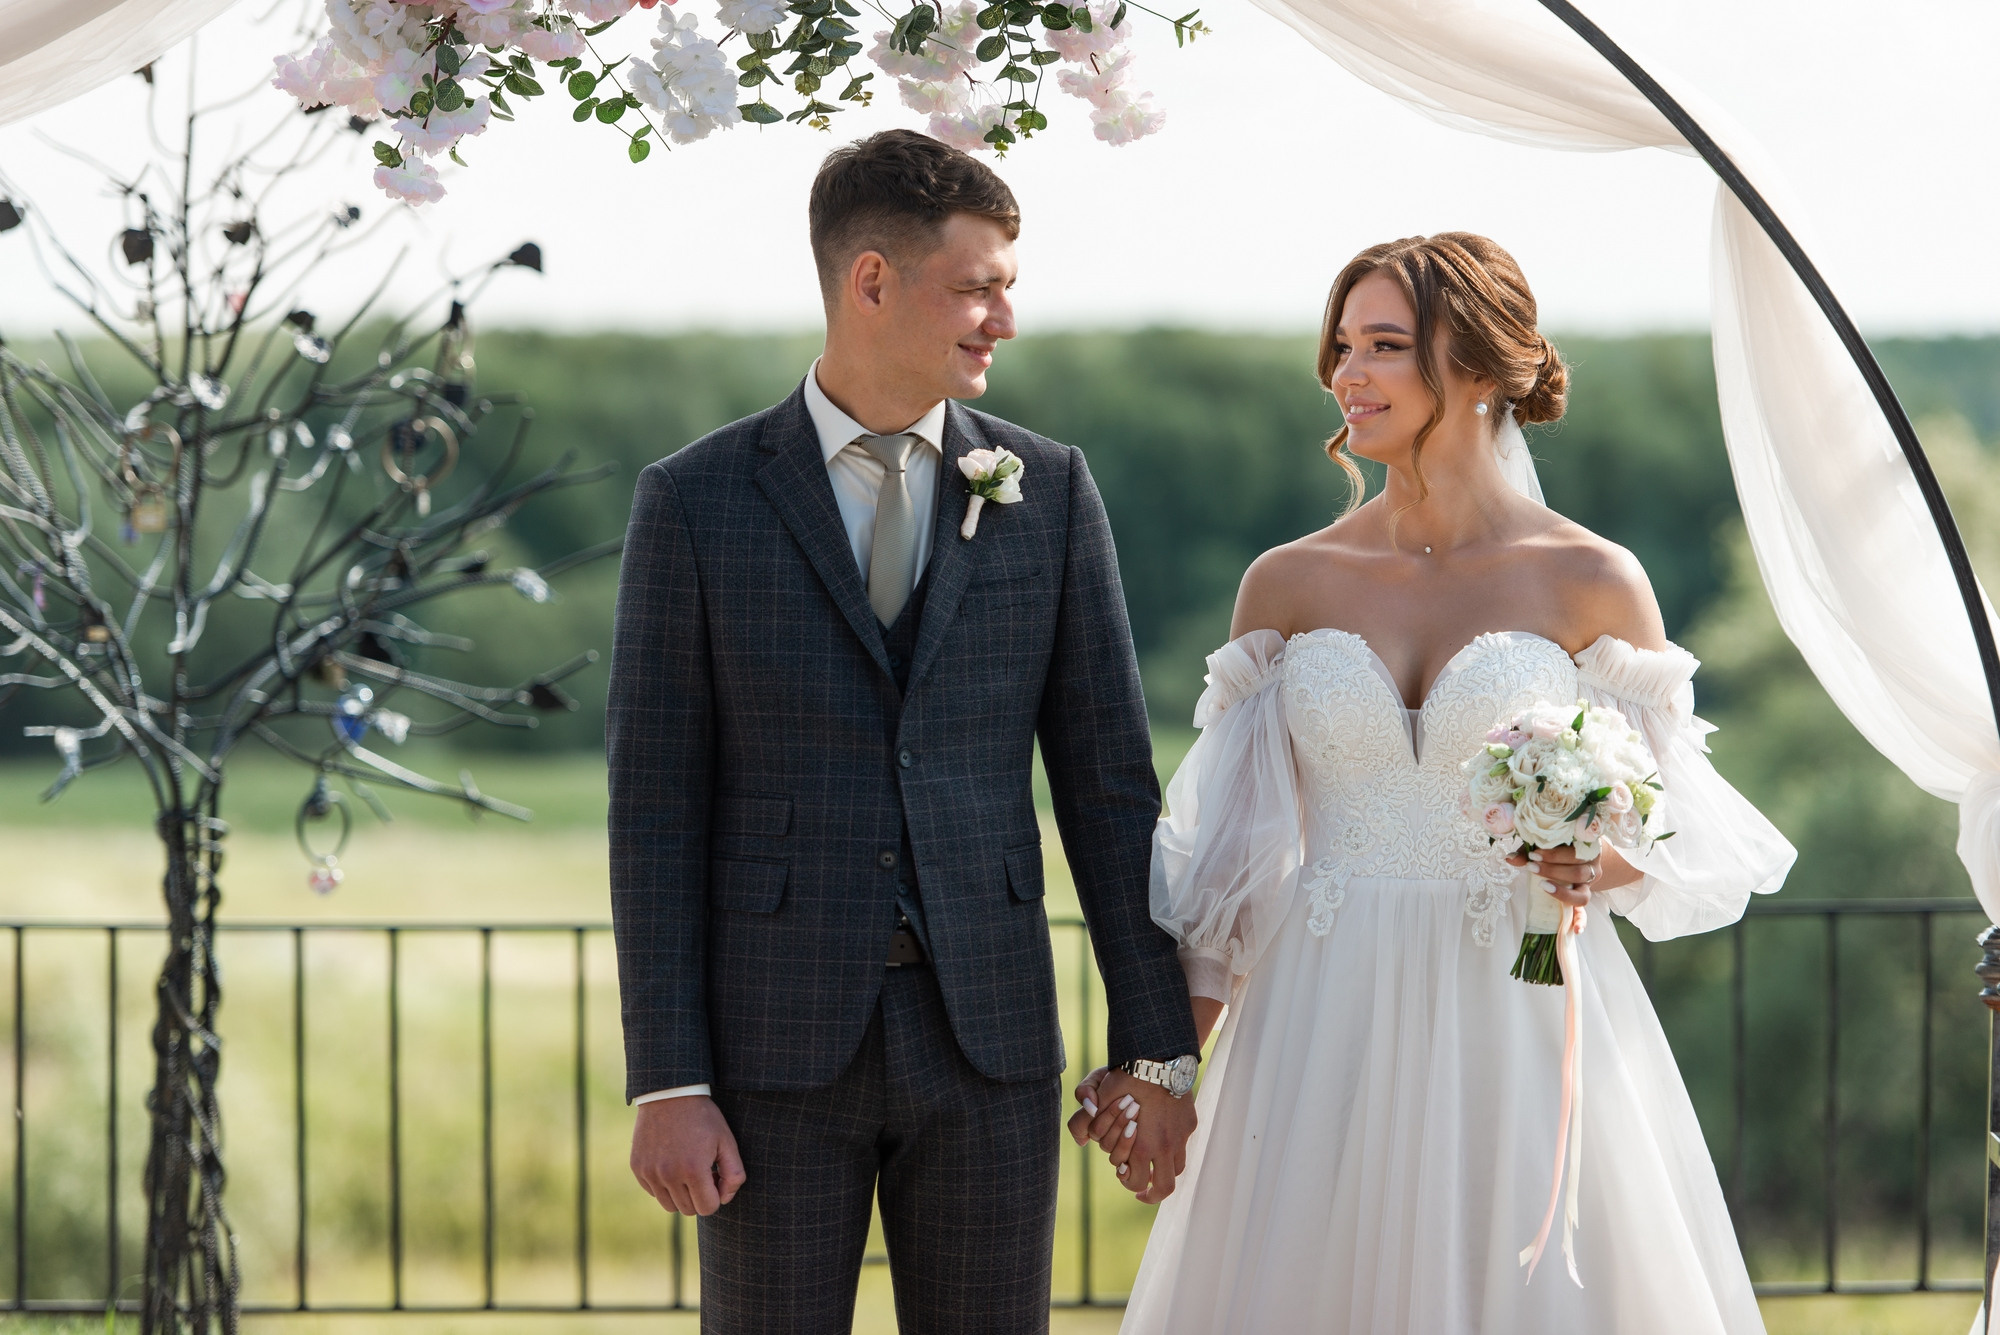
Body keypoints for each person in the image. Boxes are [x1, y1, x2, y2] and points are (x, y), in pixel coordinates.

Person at [1074, 232, 1797, 1333]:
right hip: (1320, 1018)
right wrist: (1166, 1075)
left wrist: (1589, 857)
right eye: (1339, 346)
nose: (1344, 375)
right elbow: (1227, 868)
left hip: (1516, 1002)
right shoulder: (1289, 581)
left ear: (1470, 366)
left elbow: (1669, 830)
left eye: (1381, 347)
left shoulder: (1590, 579)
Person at [605, 128, 1201, 1334]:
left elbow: (1106, 786)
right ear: (870, 279)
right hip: (771, 1055)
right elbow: (654, 808)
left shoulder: (1050, 489)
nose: (1003, 319)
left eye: (1008, 289)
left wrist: (1156, 1052)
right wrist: (668, 1080)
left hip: (986, 1043)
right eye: (977, 286)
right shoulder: (695, 500)